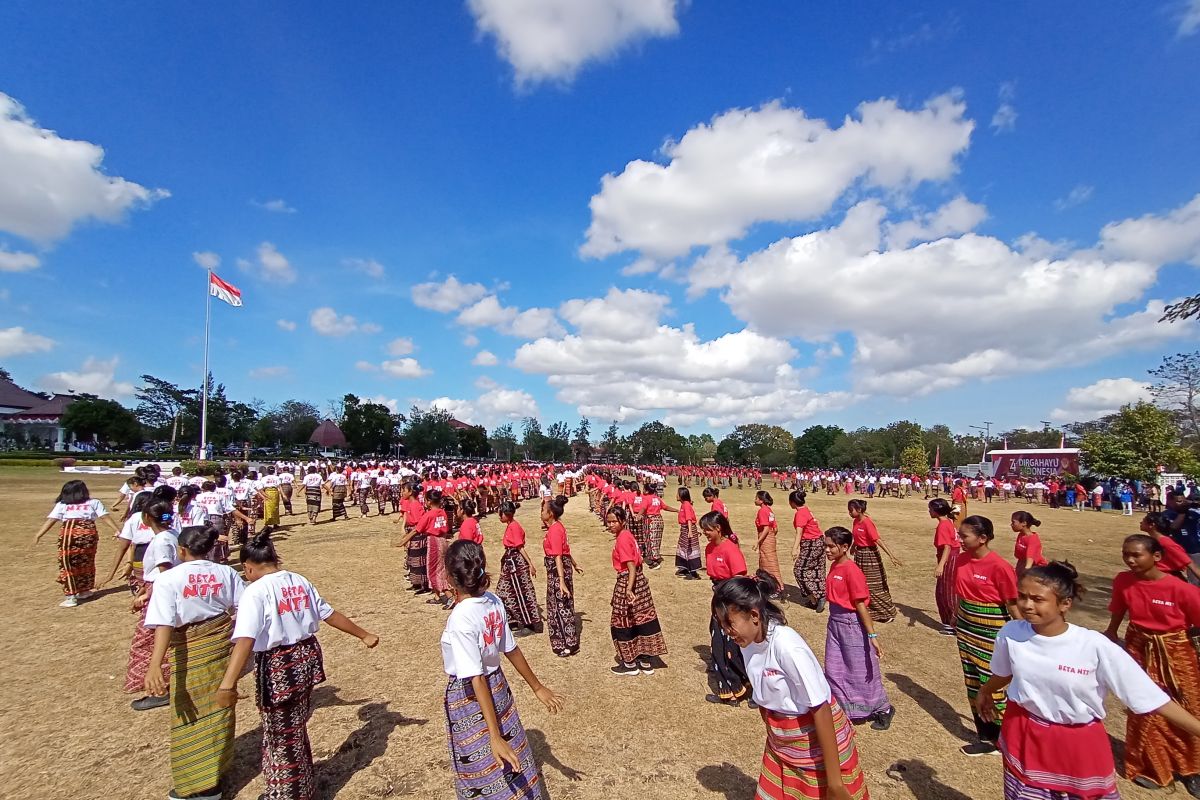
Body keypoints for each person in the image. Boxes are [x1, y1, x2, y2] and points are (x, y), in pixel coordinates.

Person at [979, 561, 1200, 800]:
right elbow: (1004, 672)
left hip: (1078, 745)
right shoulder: (1011, 633)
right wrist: (986, 691)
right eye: (1022, 596)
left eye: (1037, 599)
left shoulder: (1093, 646)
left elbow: (1151, 699)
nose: (1027, 605)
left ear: (1065, 604)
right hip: (1023, 734)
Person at [215, 531, 379, 800]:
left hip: (278, 664)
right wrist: (363, 634)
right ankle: (302, 784)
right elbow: (328, 614)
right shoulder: (298, 581)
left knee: (279, 732)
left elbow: (245, 639)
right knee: (295, 725)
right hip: (305, 659)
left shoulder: (255, 591)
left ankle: (286, 792)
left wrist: (227, 684)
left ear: (249, 567)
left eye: (246, 571)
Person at [713, 574, 869, 800]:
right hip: (782, 743)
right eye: (722, 624)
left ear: (754, 615)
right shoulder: (747, 641)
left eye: (729, 623)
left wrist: (835, 784)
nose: (726, 631)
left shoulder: (787, 647)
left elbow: (820, 708)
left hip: (814, 744)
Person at [440, 540, 563, 799]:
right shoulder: (492, 601)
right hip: (499, 689)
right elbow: (511, 649)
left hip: (472, 697)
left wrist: (493, 735)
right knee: (513, 753)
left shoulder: (460, 619)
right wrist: (537, 687)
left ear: (451, 578)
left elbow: (476, 677)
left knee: (484, 764)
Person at [140, 525, 243, 800]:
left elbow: (164, 624)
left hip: (188, 647)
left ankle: (200, 785)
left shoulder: (168, 579)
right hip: (220, 642)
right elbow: (243, 608)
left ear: (181, 550)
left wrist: (155, 665)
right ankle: (216, 768)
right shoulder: (227, 573)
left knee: (187, 711)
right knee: (219, 706)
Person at [1104, 534, 1200, 794]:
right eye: (1126, 554)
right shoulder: (1124, 581)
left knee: (1186, 706)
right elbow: (1119, 608)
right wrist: (1111, 633)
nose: (1130, 559)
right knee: (1144, 706)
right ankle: (1153, 766)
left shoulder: (1182, 589)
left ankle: (1192, 768)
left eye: (1136, 555)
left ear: (1156, 557)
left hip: (1176, 652)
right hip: (1139, 647)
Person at [954, 515, 1022, 756]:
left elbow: (1012, 605)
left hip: (992, 632)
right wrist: (956, 617)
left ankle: (1007, 738)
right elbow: (960, 594)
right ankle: (986, 736)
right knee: (972, 681)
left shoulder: (1000, 567)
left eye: (964, 536)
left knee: (992, 683)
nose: (959, 540)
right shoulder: (961, 560)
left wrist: (1024, 634)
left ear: (983, 538)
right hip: (965, 628)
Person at [823, 526, 894, 730]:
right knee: (834, 667)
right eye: (825, 546)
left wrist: (871, 634)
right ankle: (845, 709)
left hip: (851, 624)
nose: (826, 550)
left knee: (860, 669)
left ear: (845, 547)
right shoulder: (835, 565)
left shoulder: (852, 571)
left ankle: (883, 709)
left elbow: (861, 605)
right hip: (835, 622)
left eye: (830, 547)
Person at [33, 479, 119, 607]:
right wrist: (117, 530)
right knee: (86, 561)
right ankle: (84, 590)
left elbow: (51, 520)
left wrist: (39, 534)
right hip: (89, 535)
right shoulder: (93, 502)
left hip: (70, 536)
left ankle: (71, 596)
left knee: (68, 564)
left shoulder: (63, 505)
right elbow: (104, 517)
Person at [607, 506, 668, 676]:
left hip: (629, 581)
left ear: (623, 521)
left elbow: (631, 567)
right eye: (609, 521)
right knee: (642, 619)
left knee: (622, 621)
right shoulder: (627, 535)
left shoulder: (623, 539)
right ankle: (645, 660)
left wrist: (628, 589)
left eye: (614, 521)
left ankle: (629, 663)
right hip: (640, 582)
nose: (611, 524)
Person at [700, 511, 751, 705]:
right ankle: (728, 690)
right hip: (718, 596)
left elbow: (740, 577)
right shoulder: (709, 548)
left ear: (718, 528)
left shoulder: (730, 549)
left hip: (732, 598)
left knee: (732, 644)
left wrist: (733, 605)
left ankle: (743, 685)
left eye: (708, 529)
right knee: (718, 641)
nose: (704, 533)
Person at [846, 500, 902, 623]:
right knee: (861, 582)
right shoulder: (856, 521)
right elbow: (857, 536)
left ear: (859, 510)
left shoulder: (867, 522)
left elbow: (877, 539)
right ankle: (869, 610)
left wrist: (891, 556)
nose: (849, 513)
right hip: (860, 555)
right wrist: (854, 546)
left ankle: (885, 613)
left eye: (851, 510)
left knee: (873, 584)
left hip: (869, 555)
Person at [495, 501, 543, 635]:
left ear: (507, 514)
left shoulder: (514, 527)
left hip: (516, 564)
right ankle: (512, 620)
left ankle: (529, 624)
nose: (499, 516)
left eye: (501, 514)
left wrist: (530, 564)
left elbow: (520, 547)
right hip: (509, 563)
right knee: (503, 591)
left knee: (521, 592)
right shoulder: (510, 525)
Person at [542, 497, 581, 657]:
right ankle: (561, 640)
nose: (542, 513)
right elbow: (565, 550)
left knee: (561, 605)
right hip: (556, 569)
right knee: (555, 605)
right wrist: (574, 563)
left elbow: (558, 555)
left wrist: (561, 580)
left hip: (557, 571)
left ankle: (569, 643)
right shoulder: (556, 527)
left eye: (544, 510)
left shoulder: (555, 530)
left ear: (550, 514)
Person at [789, 490, 825, 611]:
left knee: (799, 570)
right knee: (817, 569)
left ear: (792, 502)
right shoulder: (807, 510)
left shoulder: (800, 513)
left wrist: (795, 548)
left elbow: (799, 533)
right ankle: (820, 595)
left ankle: (814, 597)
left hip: (811, 543)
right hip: (819, 541)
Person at [929, 499, 960, 636]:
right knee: (944, 592)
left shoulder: (943, 525)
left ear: (936, 511)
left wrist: (940, 566)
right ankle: (949, 622)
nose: (929, 512)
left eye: (930, 509)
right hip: (951, 558)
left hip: (949, 559)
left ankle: (953, 624)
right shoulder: (947, 522)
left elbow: (947, 546)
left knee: (946, 593)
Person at [754, 491, 785, 595]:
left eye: (756, 498)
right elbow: (775, 528)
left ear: (761, 500)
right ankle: (772, 585)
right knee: (771, 562)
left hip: (765, 538)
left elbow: (766, 528)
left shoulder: (762, 511)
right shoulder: (769, 510)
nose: (755, 500)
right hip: (771, 538)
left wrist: (758, 541)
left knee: (768, 563)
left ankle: (776, 587)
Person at [674, 486, 702, 580]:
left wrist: (690, 531)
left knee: (690, 549)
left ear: (682, 495)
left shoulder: (686, 505)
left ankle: (693, 572)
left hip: (688, 529)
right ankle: (684, 568)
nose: (676, 495)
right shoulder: (684, 504)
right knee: (683, 548)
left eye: (678, 494)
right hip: (684, 529)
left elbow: (689, 518)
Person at [1010, 511, 1047, 578]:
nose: (1011, 525)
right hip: (1023, 566)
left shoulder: (1033, 539)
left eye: (1013, 522)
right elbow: (1021, 559)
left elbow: (1029, 564)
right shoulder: (1021, 535)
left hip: (1037, 571)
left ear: (1024, 523)